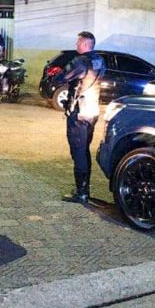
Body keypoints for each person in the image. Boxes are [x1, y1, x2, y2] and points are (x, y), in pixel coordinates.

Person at [54, 30, 106, 205]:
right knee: (84, 150)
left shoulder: (80, 61)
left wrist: (56, 77)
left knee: (78, 153)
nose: (76, 45)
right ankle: (85, 189)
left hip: (79, 113)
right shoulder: (99, 60)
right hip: (92, 111)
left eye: (78, 42)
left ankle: (81, 193)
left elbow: (61, 78)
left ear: (85, 44)